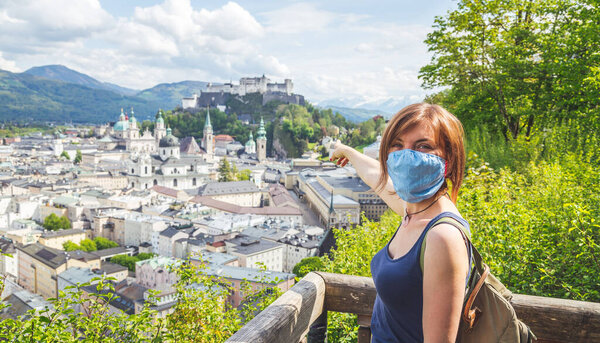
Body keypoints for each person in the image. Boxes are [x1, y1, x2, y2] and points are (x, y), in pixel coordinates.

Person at [330, 103, 470, 343]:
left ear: (450, 157)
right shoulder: (414, 211)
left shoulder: (442, 237)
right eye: (397, 145)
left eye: (423, 146)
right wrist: (348, 152)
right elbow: (378, 178)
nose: (406, 156)